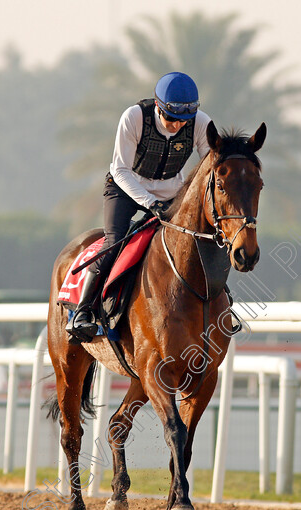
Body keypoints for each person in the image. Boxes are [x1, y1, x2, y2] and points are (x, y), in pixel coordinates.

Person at [66, 71, 213, 341]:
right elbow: (121, 170)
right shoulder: (133, 117)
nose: (177, 126)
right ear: (158, 106)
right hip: (125, 186)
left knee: (200, 244)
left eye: (184, 121)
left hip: (170, 191)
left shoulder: (201, 124)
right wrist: (151, 202)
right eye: (171, 119)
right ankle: (82, 312)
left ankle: (216, 307)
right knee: (115, 241)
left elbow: (209, 169)